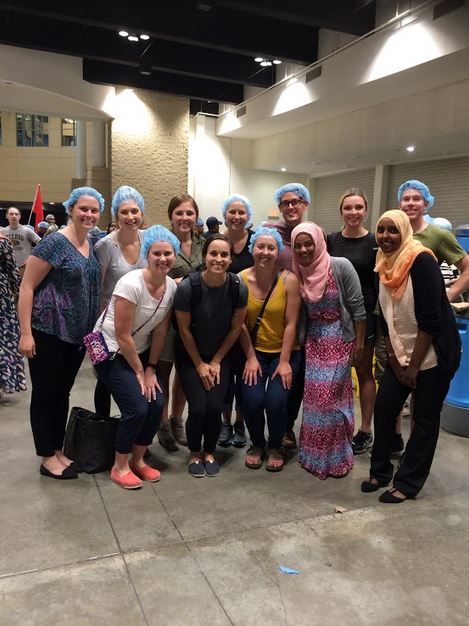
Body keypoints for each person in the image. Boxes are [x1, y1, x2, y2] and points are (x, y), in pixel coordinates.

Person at [361, 210, 461, 503]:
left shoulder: (422, 261)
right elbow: (385, 316)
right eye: (381, 230)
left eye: (393, 230)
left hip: (432, 355)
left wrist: (414, 366)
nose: (385, 236)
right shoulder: (382, 262)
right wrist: (393, 357)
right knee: (384, 406)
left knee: (425, 419)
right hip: (400, 352)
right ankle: (380, 471)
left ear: (405, 231)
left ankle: (408, 482)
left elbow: (431, 320)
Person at [18, 187, 104, 480]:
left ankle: (57, 449)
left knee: (61, 393)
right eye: (83, 209)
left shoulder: (89, 242)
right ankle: (46, 456)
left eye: (94, 210)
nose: (89, 214)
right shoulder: (54, 242)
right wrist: (26, 333)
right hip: (48, 331)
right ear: (71, 209)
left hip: (75, 337)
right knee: (44, 394)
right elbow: (27, 287)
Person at [94, 226, 178, 489]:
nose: (162, 258)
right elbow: (122, 335)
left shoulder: (171, 286)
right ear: (147, 254)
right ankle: (119, 466)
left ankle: (138, 460)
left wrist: (152, 368)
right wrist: (140, 373)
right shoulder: (130, 283)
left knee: (156, 401)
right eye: (157, 253)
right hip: (108, 349)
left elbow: (161, 330)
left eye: (168, 253)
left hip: (137, 352)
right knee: (136, 407)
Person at [292, 222, 365, 479]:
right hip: (313, 341)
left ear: (319, 242)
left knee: (329, 400)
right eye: (298, 245)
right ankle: (313, 455)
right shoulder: (298, 269)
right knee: (313, 403)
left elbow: (358, 306)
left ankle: (335, 458)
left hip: (340, 338)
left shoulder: (340, 265)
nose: (303, 249)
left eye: (308, 243)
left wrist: (360, 343)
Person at [174, 234, 248, 477]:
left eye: (224, 254)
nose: (218, 259)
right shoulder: (189, 287)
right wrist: (199, 364)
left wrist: (216, 361)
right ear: (204, 256)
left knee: (215, 406)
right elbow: (184, 330)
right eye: (213, 253)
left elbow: (236, 328)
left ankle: (209, 451)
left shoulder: (238, 287)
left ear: (231, 258)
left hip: (220, 355)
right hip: (190, 355)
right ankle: (195, 452)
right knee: (198, 408)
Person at [239, 227, 301, 471]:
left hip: (284, 352)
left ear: (278, 251)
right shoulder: (241, 279)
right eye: (260, 247)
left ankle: (276, 445)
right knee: (252, 400)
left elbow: (291, 323)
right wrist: (250, 357)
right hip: (254, 352)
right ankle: (256, 443)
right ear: (252, 248)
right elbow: (240, 324)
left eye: (271, 248)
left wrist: (285, 361)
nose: (265, 252)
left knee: (276, 401)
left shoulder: (289, 280)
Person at [327, 189, 378, 455]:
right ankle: (338, 425)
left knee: (363, 370)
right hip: (334, 317)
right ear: (341, 211)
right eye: (348, 208)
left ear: (366, 210)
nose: (353, 213)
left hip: (364, 316)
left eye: (358, 207)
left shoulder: (374, 242)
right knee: (337, 374)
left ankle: (366, 429)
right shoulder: (331, 240)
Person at [93, 186, 148, 417]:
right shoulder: (105, 246)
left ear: (142, 214)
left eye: (134, 211)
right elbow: (97, 290)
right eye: (124, 212)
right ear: (116, 216)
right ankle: (101, 431)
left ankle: (133, 434)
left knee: (137, 379)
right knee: (104, 380)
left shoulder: (149, 240)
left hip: (140, 325)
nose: (130, 217)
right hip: (105, 326)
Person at [158, 194, 205, 451]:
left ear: (196, 216)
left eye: (189, 213)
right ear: (171, 216)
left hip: (195, 320)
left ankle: (178, 420)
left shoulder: (204, 243)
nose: (184, 218)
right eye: (179, 213)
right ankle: (162, 423)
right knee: (164, 372)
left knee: (185, 375)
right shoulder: (161, 241)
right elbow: (153, 273)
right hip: (166, 317)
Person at [268, 183, 311, 450]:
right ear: (280, 207)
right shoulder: (271, 233)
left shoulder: (312, 234)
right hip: (273, 310)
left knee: (297, 370)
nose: (291, 206)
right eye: (285, 203)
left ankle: (287, 427)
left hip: (307, 312)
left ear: (305, 204)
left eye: (296, 201)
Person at [219, 193, 254, 448]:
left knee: (242, 377)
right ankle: (225, 422)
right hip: (220, 320)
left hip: (250, 318)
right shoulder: (218, 242)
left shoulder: (256, 242)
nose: (237, 216)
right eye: (232, 211)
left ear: (248, 216)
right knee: (224, 376)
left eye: (242, 212)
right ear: (224, 215)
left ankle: (240, 423)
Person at [398, 179, 469, 301]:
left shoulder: (438, 235)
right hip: (395, 307)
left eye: (416, 199)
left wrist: (448, 297)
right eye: (406, 199)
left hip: (425, 307)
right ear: (400, 205)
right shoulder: (394, 234)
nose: (410, 203)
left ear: (426, 204)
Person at [0, 233, 26, 396]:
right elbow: (11, 270)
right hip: (2, 297)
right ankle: (5, 379)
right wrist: (19, 292)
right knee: (5, 338)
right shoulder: (3, 242)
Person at [1, 206, 41, 277]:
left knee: (23, 287)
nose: (14, 216)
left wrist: (33, 257)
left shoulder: (27, 231)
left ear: (20, 216)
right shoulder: (2, 232)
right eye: (11, 214)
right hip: (7, 267)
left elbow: (43, 244)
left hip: (23, 267)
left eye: (16, 214)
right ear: (7, 216)